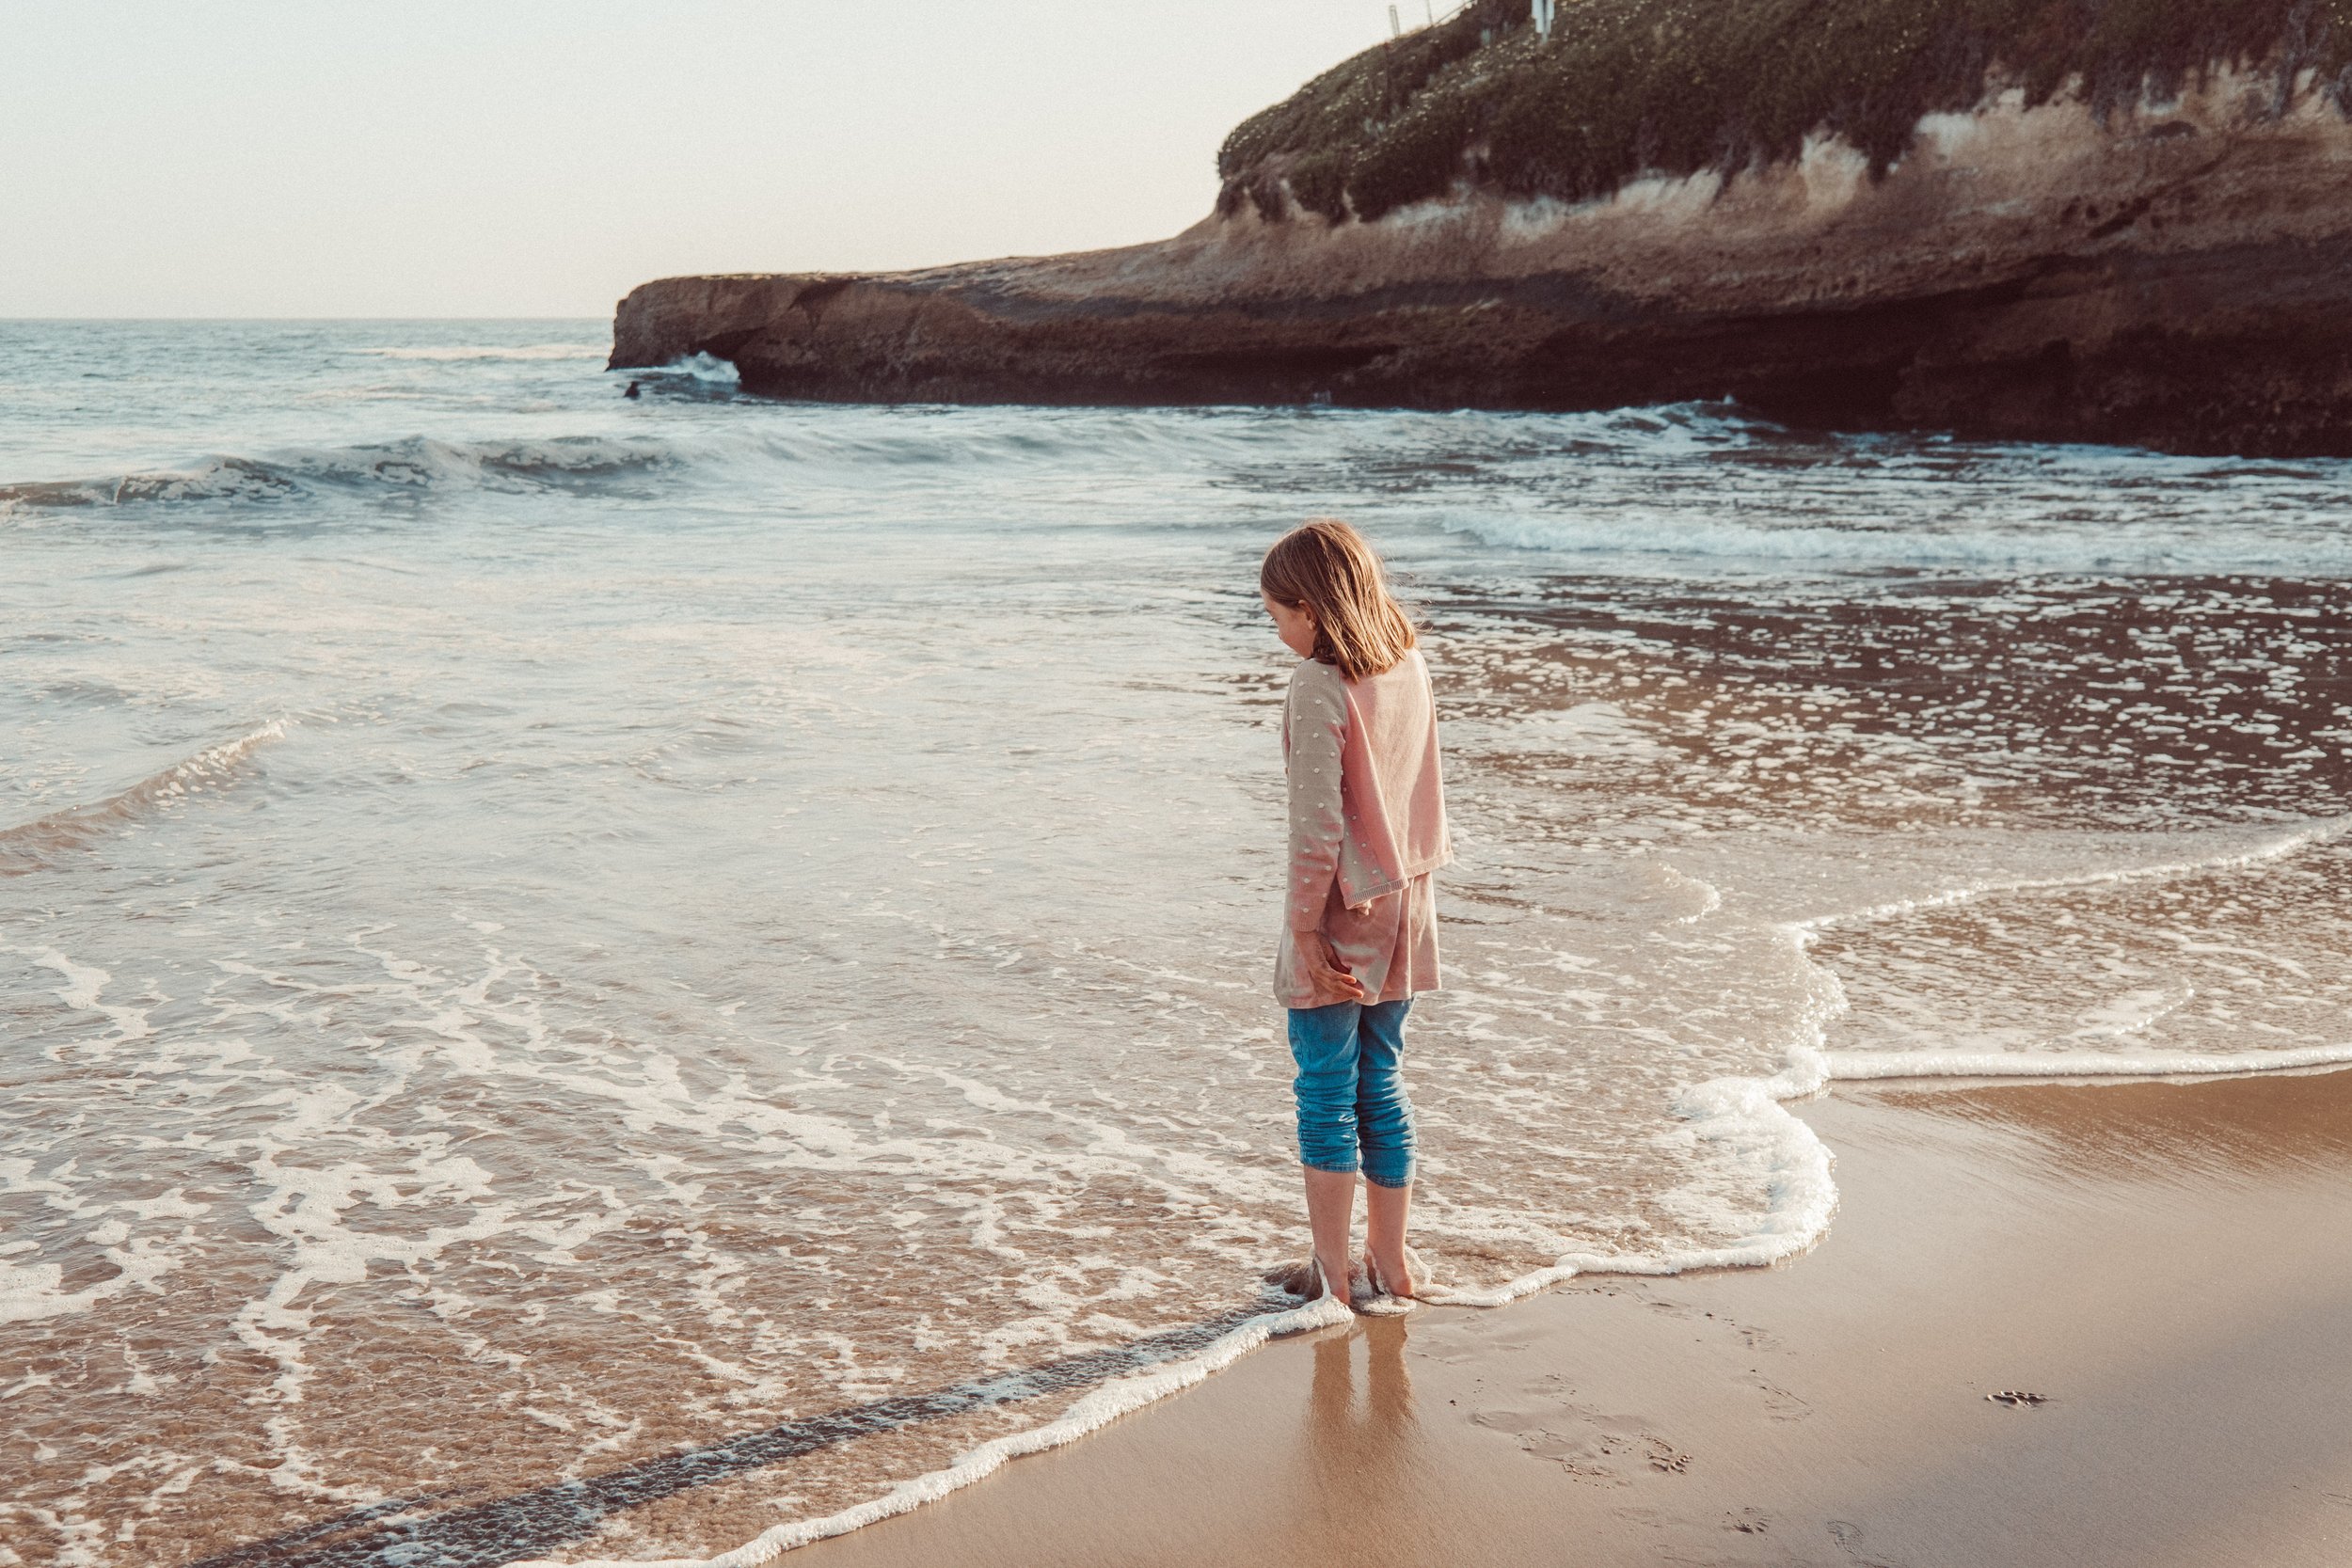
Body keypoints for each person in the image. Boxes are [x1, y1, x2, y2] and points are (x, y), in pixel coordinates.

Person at [1259, 519, 1451, 1307]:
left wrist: (1305, 929)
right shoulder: (1407, 661)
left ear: (1309, 607)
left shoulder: (1318, 682)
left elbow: (1316, 827)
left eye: (1277, 616)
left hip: (1343, 907)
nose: (1277, 632)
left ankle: (1332, 1277)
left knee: (1325, 1088)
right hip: (1410, 899)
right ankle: (1393, 1263)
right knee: (1384, 1079)